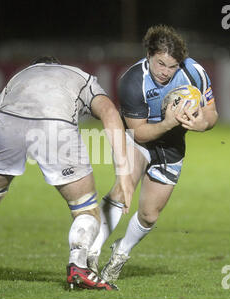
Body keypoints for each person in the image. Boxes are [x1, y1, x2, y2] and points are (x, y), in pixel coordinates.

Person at [0, 56, 134, 291]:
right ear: (55, 65)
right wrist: (124, 174)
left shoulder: (17, 81)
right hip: (55, 127)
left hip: (11, 125)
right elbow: (109, 111)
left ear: (33, 68)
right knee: (85, 207)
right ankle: (78, 266)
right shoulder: (79, 76)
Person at [87, 25, 219, 283]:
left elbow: (212, 113)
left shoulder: (194, 72)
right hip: (139, 141)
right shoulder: (132, 80)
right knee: (123, 190)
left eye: (172, 66)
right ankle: (91, 253)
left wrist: (202, 124)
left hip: (172, 147)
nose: (165, 72)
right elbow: (139, 132)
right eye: (160, 64)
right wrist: (169, 122)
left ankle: (120, 253)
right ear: (149, 55)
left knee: (149, 215)